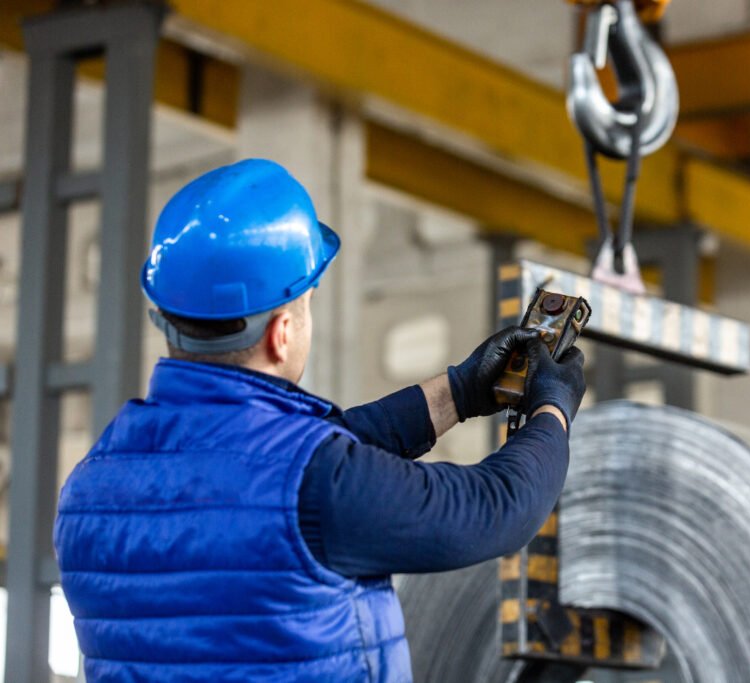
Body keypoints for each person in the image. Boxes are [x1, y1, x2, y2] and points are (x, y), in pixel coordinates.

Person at [53, 159, 587, 683]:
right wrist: (552, 407)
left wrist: (459, 391)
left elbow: (278, 466)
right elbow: (496, 509)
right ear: (281, 332)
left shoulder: (90, 485)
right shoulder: (315, 483)